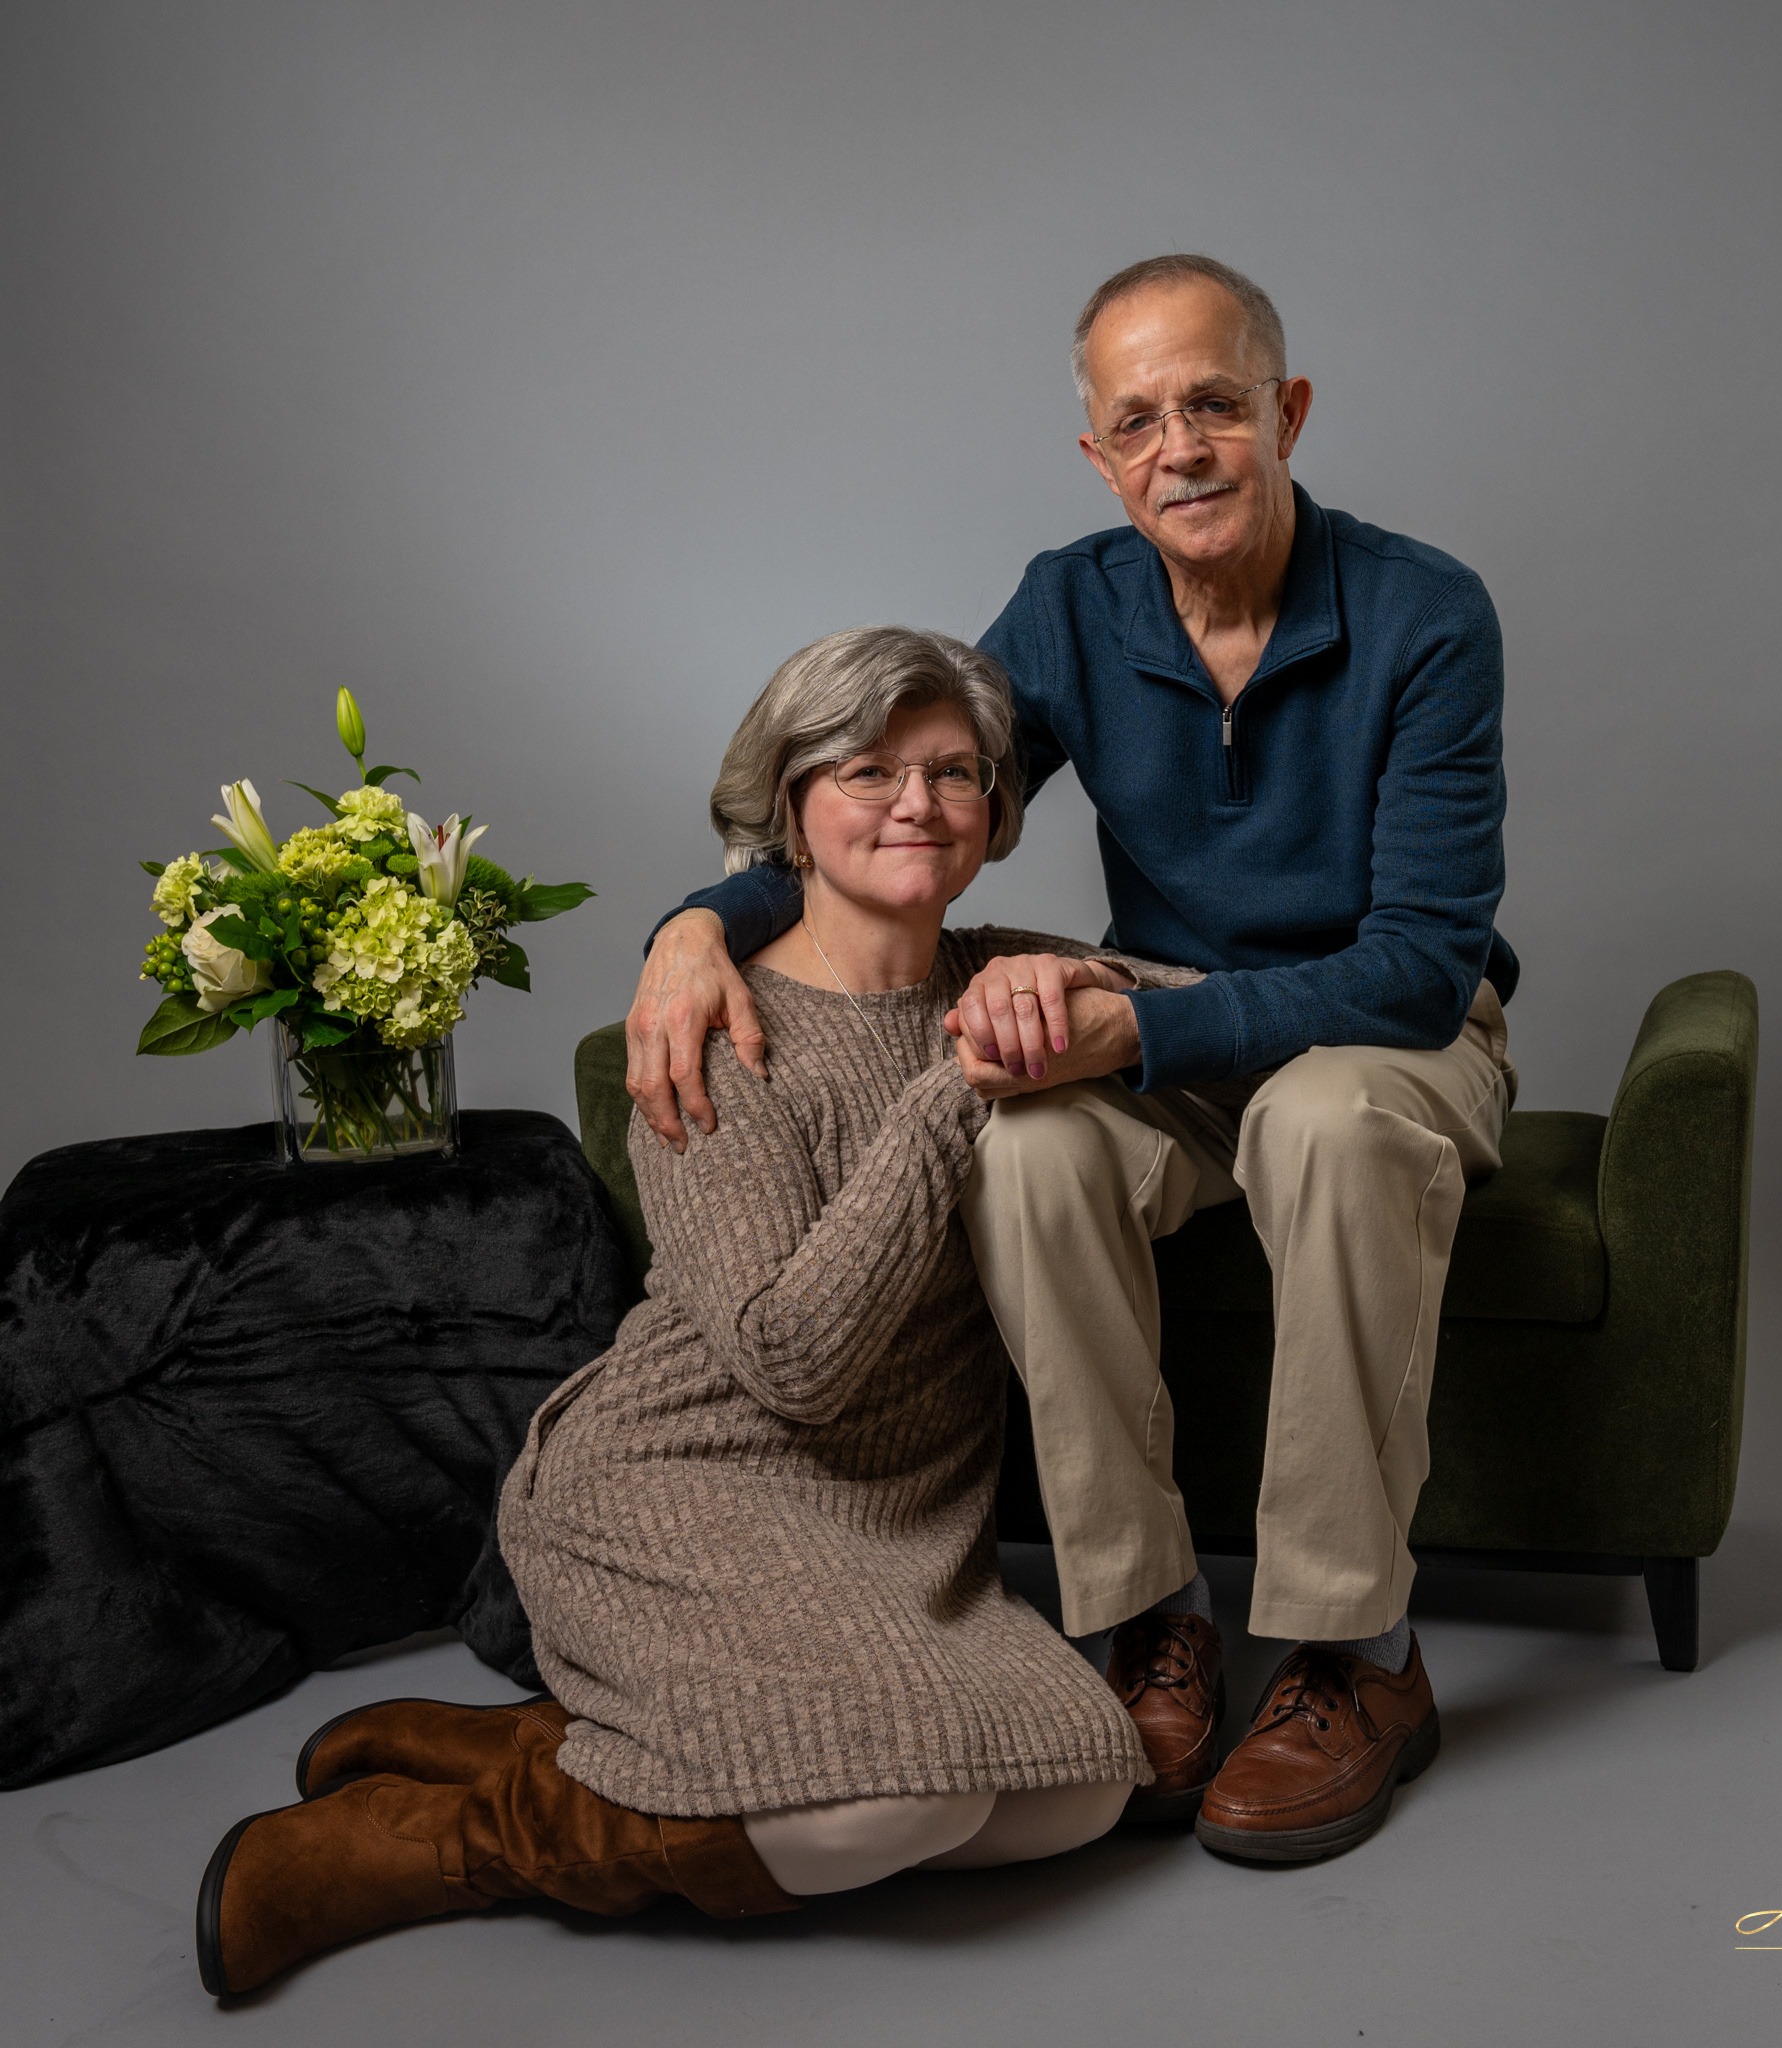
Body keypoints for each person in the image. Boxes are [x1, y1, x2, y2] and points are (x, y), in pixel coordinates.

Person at [627, 254, 1519, 1867]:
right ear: (1100, 460)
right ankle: (1151, 1622)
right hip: (1168, 1019)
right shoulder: (1075, 602)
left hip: (1388, 1035)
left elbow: (1417, 962)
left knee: (1323, 1123)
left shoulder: (1424, 611)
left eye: (1214, 405)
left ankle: (1355, 1654)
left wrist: (1138, 1024)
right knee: (1023, 1141)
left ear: (1287, 413)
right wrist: (696, 920)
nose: (1180, 447)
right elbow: (921, 781)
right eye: (1139, 420)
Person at [193, 628, 1163, 1998]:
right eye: (867, 770)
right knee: (892, 1809)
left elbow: (1222, 1005)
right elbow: (792, 1362)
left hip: (898, 1519)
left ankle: (532, 1747)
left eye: (956, 773)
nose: (916, 803)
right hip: (684, 1482)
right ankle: (440, 1843)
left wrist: (1091, 988)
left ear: (999, 813)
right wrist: (955, 1100)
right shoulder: (710, 1027)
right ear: (788, 809)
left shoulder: (998, 972)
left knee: (1077, 1793)